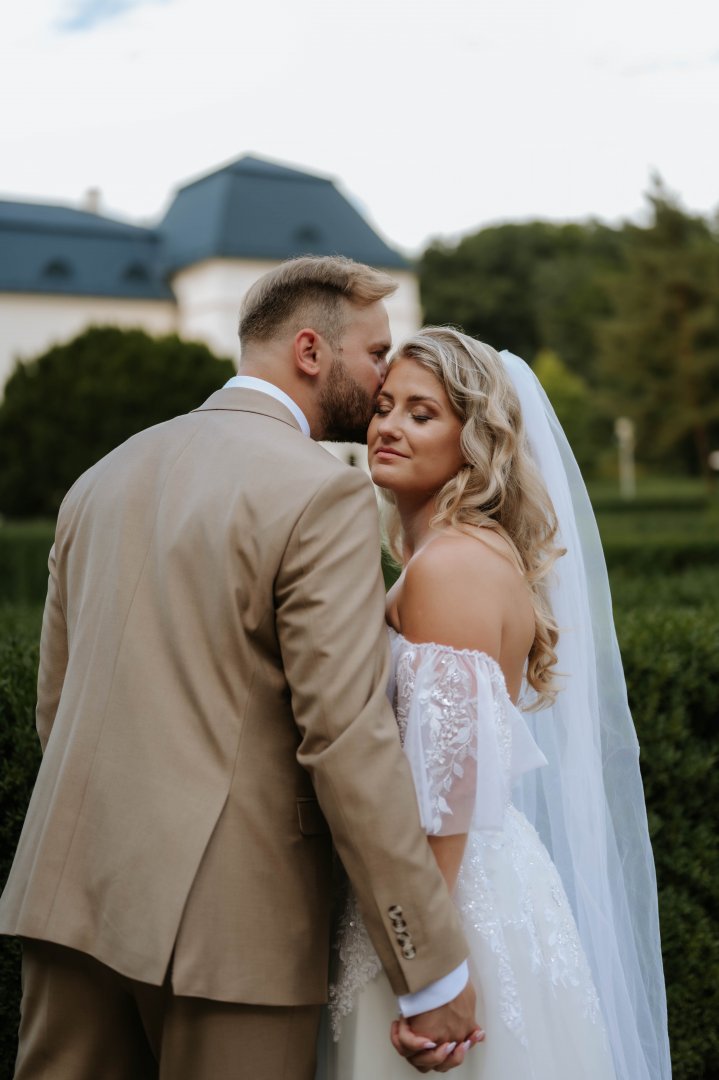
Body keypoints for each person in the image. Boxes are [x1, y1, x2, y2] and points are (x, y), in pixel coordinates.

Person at [0, 259, 484, 1080]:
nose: (381, 381)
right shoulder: (320, 492)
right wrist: (428, 966)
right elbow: (346, 740)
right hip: (234, 928)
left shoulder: (100, 478)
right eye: (375, 354)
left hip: (69, 899)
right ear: (310, 351)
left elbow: (58, 705)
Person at [322, 327, 671, 1078]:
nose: (388, 426)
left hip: (448, 899)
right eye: (384, 406)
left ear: (475, 442)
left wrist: (431, 971)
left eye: (422, 413)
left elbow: (447, 787)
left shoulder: (451, 566)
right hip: (440, 881)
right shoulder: (446, 554)